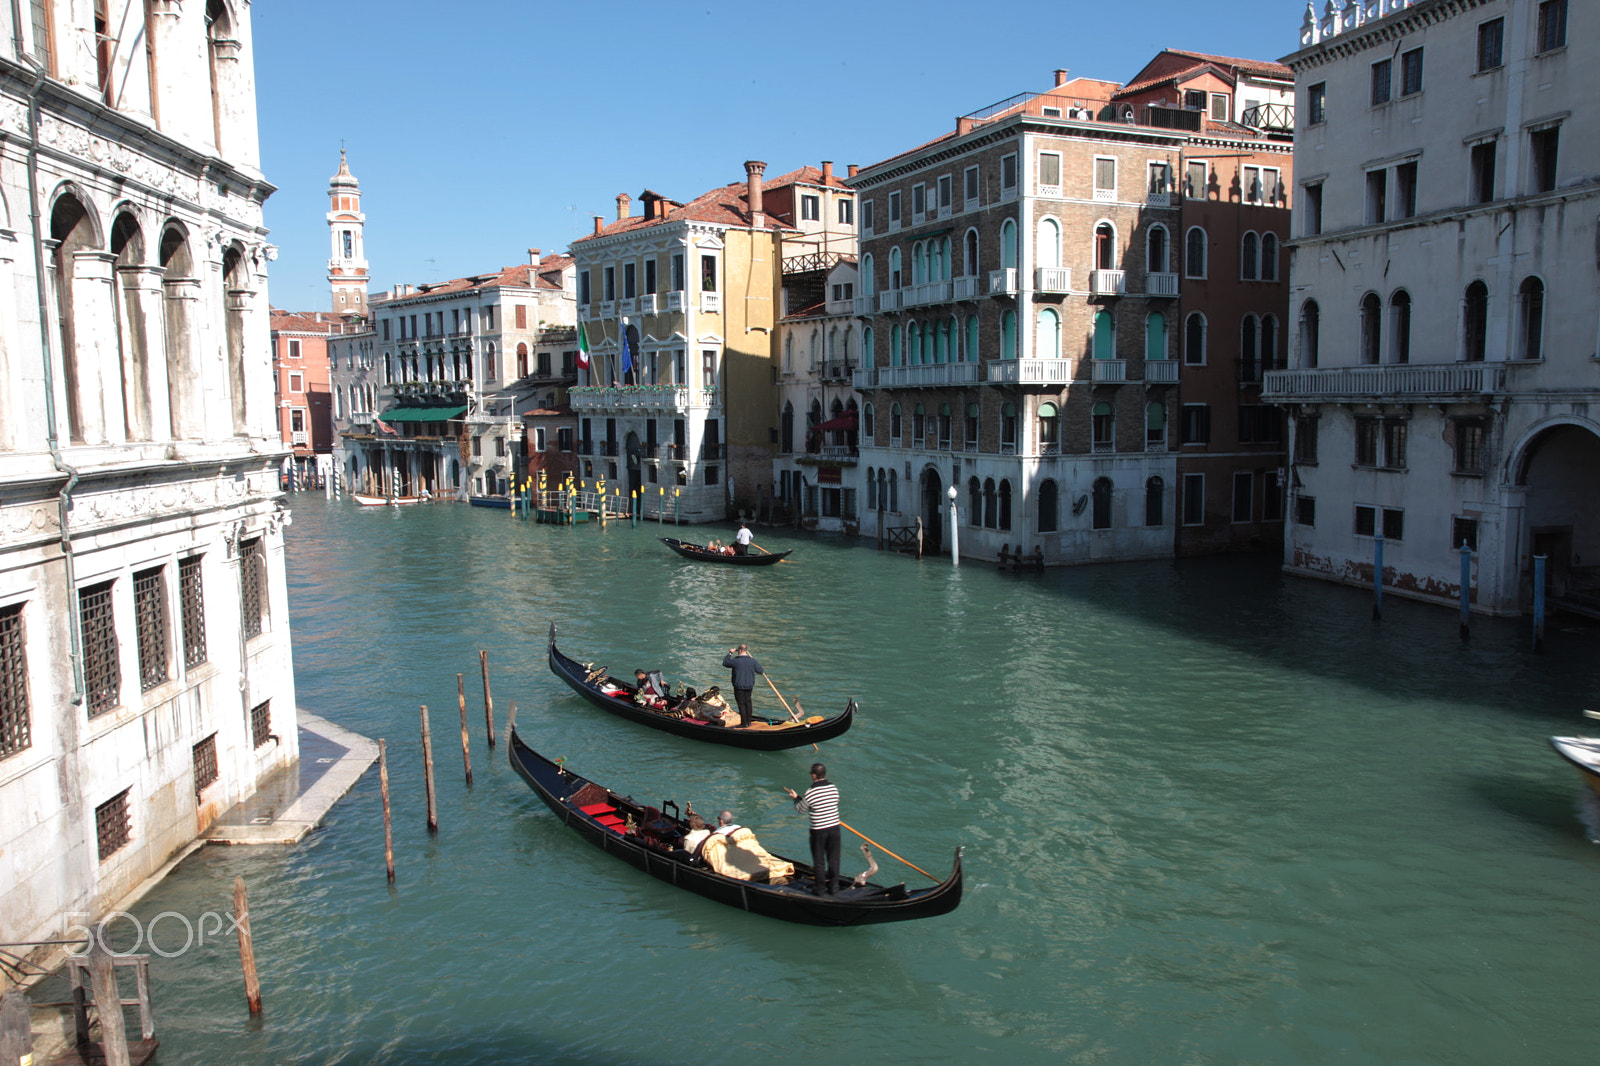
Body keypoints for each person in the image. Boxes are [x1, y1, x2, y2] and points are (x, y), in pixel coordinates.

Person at [784, 763, 841, 897]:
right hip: (834, 829)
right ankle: (834, 888)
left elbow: (801, 810)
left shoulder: (811, 791)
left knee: (819, 861)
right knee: (834, 859)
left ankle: (820, 890)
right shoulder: (833, 788)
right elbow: (833, 802)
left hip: (819, 831)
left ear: (814, 775)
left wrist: (796, 799)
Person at [721, 645, 764, 727]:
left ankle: (744, 723)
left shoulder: (735, 661)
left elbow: (725, 662)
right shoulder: (752, 661)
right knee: (748, 703)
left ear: (739, 651)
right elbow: (760, 670)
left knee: (741, 704)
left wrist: (730, 653)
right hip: (749, 686)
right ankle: (748, 721)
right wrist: (753, 662)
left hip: (739, 686)